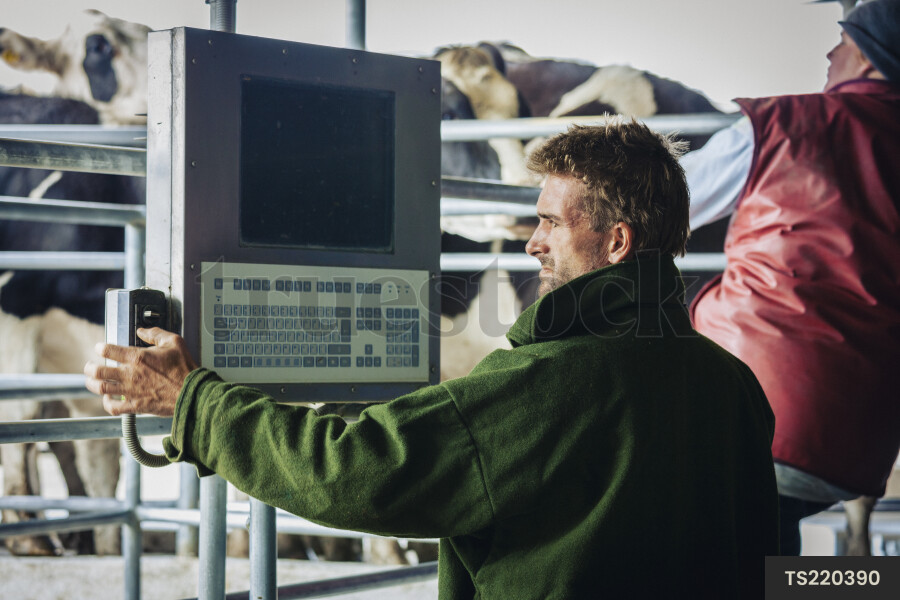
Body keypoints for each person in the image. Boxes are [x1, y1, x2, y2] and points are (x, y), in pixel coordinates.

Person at [85, 120, 779, 598]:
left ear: (617, 242)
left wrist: (194, 401)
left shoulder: (554, 381)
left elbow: (354, 472)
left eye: (549, 221)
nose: (532, 242)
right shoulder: (733, 384)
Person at [685, 0, 900, 556]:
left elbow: (663, 197)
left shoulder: (784, 124)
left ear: (869, 56)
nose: (830, 54)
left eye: (842, 41)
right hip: (862, 444)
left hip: (748, 413)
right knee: (772, 542)